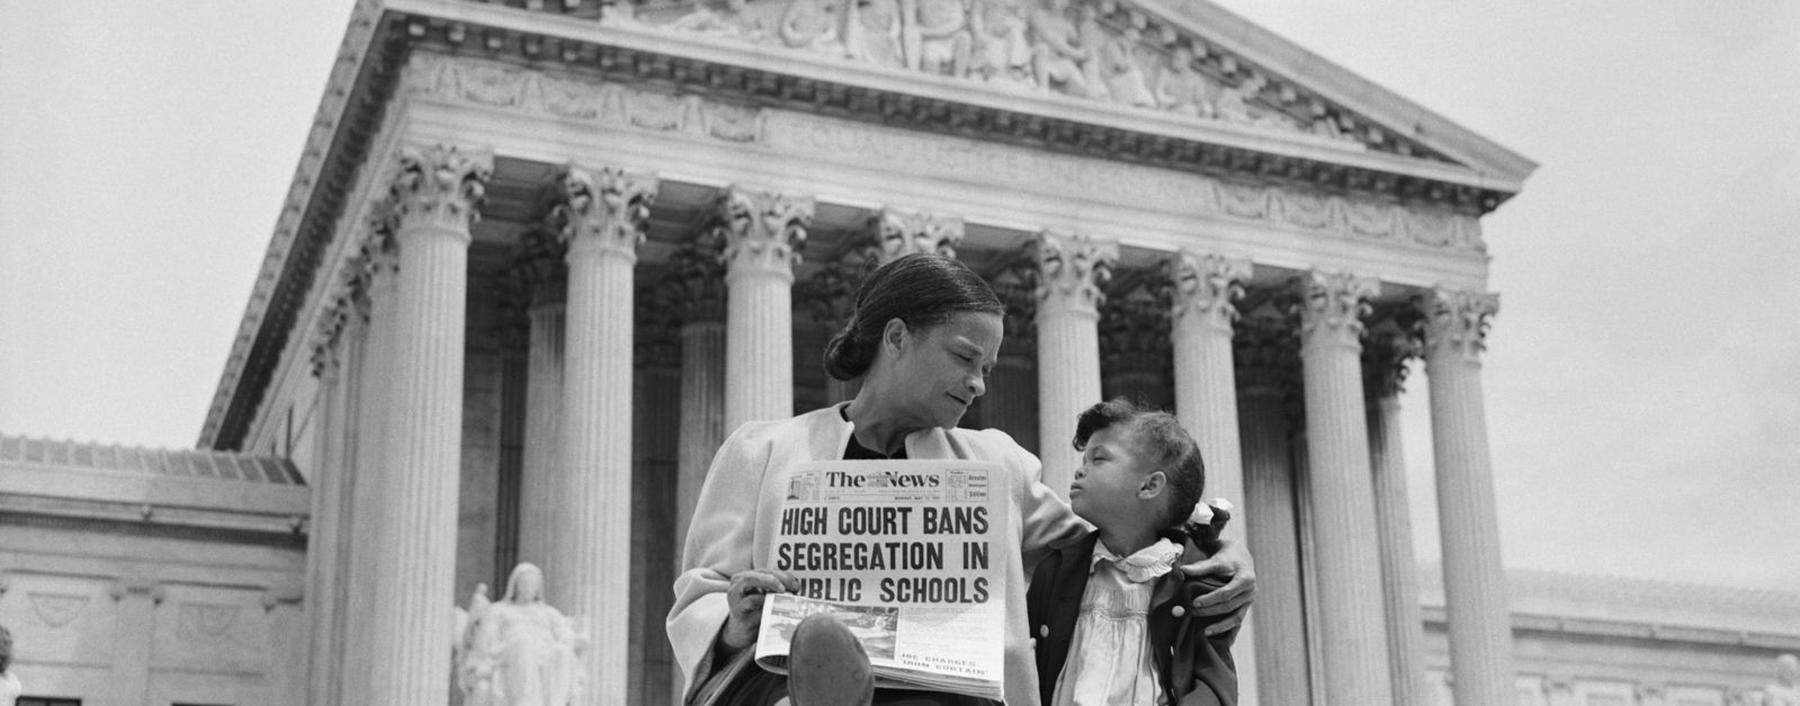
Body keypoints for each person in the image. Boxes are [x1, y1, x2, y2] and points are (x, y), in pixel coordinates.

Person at [667, 253, 1255, 706]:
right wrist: (735, 622)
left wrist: (1219, 541)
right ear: (896, 337)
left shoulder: (997, 464)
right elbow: (700, 596)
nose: (979, 384)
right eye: (963, 357)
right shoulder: (764, 450)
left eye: (988, 369)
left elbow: (1119, 542)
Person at [1028, 399, 1237, 705]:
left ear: (1149, 486)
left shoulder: (1194, 582)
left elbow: (1215, 685)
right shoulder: (1056, 569)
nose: (1080, 471)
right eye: (1083, 459)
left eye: (1098, 459)